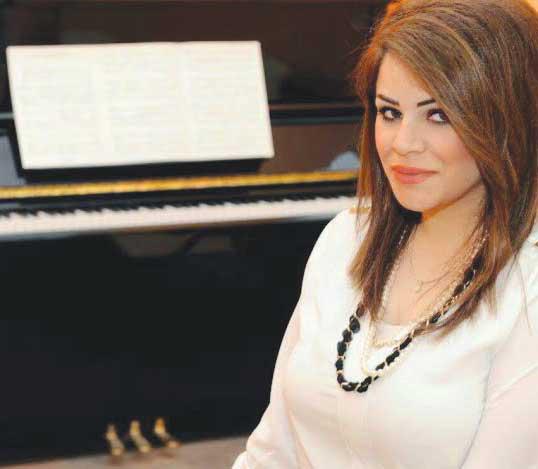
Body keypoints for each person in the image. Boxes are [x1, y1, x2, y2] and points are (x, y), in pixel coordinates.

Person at [232, 0, 538, 467]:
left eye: (438, 115)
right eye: (390, 112)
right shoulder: (347, 237)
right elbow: (273, 449)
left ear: (506, 120)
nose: (402, 144)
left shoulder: (527, 285)